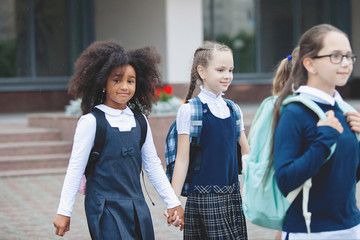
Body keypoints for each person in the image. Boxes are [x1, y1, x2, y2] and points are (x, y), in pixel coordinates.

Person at [53, 40, 184, 239]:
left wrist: (173, 202)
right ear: (102, 83)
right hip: (104, 208)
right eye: (117, 80)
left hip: (137, 205)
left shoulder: (140, 121)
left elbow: (153, 165)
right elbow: (75, 168)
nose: (124, 87)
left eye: (130, 81)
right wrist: (64, 211)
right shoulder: (91, 122)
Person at [271, 24, 360, 239]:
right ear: (310, 64)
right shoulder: (295, 111)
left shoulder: (342, 111)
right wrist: (323, 142)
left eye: (349, 56)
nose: (346, 63)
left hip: (350, 227)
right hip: (309, 230)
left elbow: (348, 176)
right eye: (336, 56)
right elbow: (285, 180)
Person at [169, 41, 249, 239]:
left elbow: (246, 152)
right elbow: (182, 160)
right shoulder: (190, 110)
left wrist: (249, 190)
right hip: (204, 198)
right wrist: (173, 202)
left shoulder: (233, 110)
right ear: (202, 72)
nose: (227, 76)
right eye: (220, 70)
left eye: (230, 70)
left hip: (232, 197)